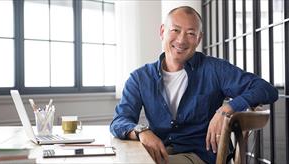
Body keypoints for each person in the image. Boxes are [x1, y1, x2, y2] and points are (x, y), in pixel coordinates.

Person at [110, 6, 278, 164]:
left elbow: (266, 89)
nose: (181, 40)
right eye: (175, 30)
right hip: (161, 152)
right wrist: (142, 131)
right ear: (162, 32)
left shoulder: (215, 69)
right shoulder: (140, 78)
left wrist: (226, 109)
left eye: (190, 33)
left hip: (200, 155)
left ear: (199, 39)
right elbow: (119, 121)